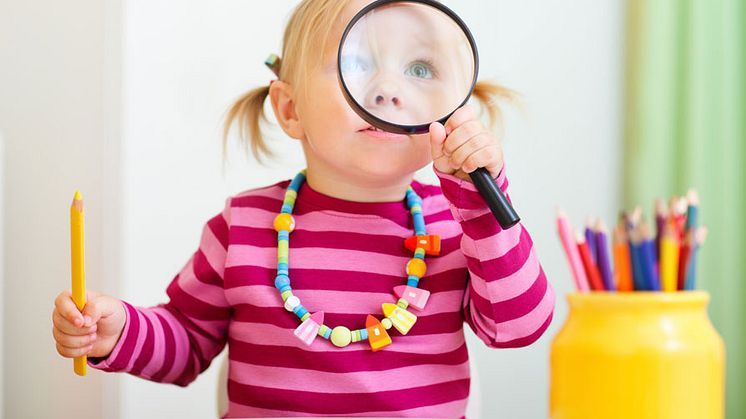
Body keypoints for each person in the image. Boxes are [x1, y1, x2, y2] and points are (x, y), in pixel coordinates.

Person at [52, 1, 555, 417]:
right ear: (290, 109)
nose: (386, 90)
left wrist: (482, 206)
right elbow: (186, 344)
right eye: (355, 63)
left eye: (419, 69)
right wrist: (117, 331)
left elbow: (519, 327)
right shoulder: (242, 227)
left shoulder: (459, 227)